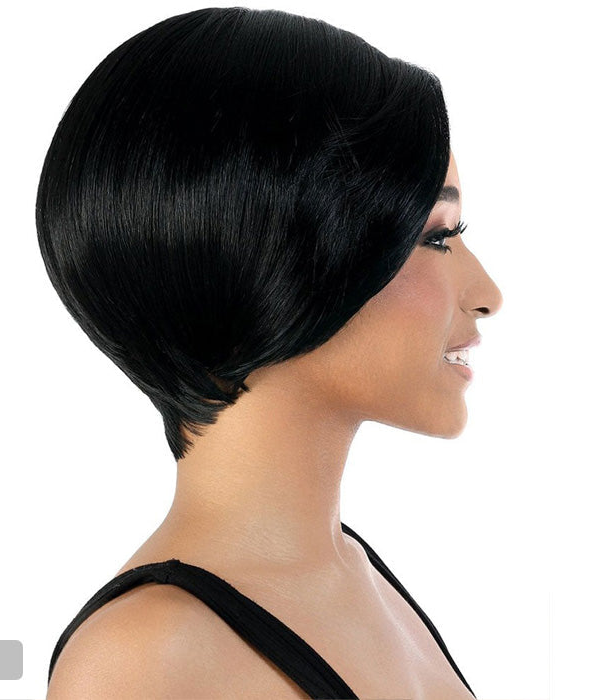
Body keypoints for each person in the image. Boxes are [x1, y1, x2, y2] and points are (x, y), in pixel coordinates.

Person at [37, 7, 502, 699]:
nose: (489, 293)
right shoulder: (149, 660)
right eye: (435, 236)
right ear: (276, 258)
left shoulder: (358, 575)